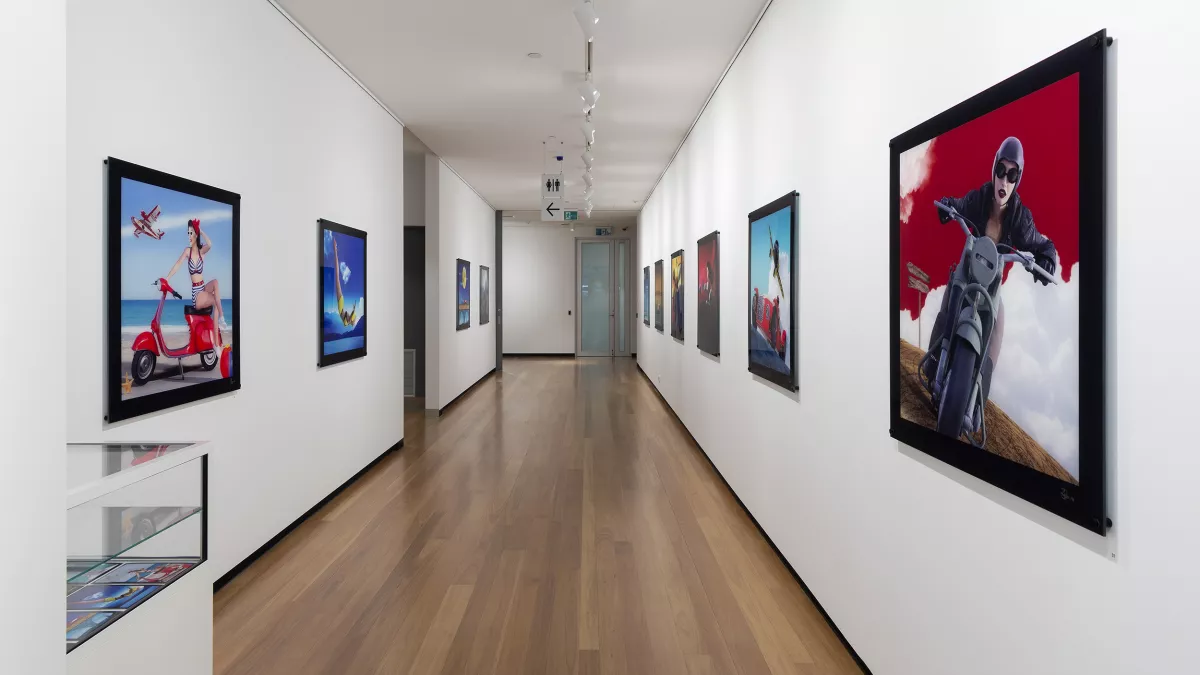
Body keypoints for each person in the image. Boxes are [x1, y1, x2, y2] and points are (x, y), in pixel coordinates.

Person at [924, 136, 1057, 409]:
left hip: (991, 284)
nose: (1004, 181)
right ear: (994, 168)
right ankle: (933, 365)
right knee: (951, 292)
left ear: (1018, 179)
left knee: (998, 326)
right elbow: (959, 205)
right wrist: (948, 207)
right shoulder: (981, 197)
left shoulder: (1020, 217)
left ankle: (976, 398)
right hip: (968, 269)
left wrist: (1047, 260)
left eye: (1012, 174)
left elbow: (1043, 244)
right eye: (1001, 171)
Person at [165, 219, 225, 351]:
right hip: (197, 295)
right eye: (188, 233)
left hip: (203, 288)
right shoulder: (187, 251)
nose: (189, 236)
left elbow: (210, 244)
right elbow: (178, 264)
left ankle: (221, 319)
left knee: (215, 282)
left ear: (196, 235)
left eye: (191, 233)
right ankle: (216, 343)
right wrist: (167, 278)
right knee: (215, 299)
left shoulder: (201, 252)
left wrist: (200, 230)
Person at [332, 236, 359, 327]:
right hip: (341, 300)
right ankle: (335, 249)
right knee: (337, 277)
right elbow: (351, 314)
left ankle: (335, 250)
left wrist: (353, 315)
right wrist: (354, 310)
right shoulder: (347, 320)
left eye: (350, 317)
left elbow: (350, 317)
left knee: (337, 276)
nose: (348, 315)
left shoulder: (346, 323)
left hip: (340, 301)